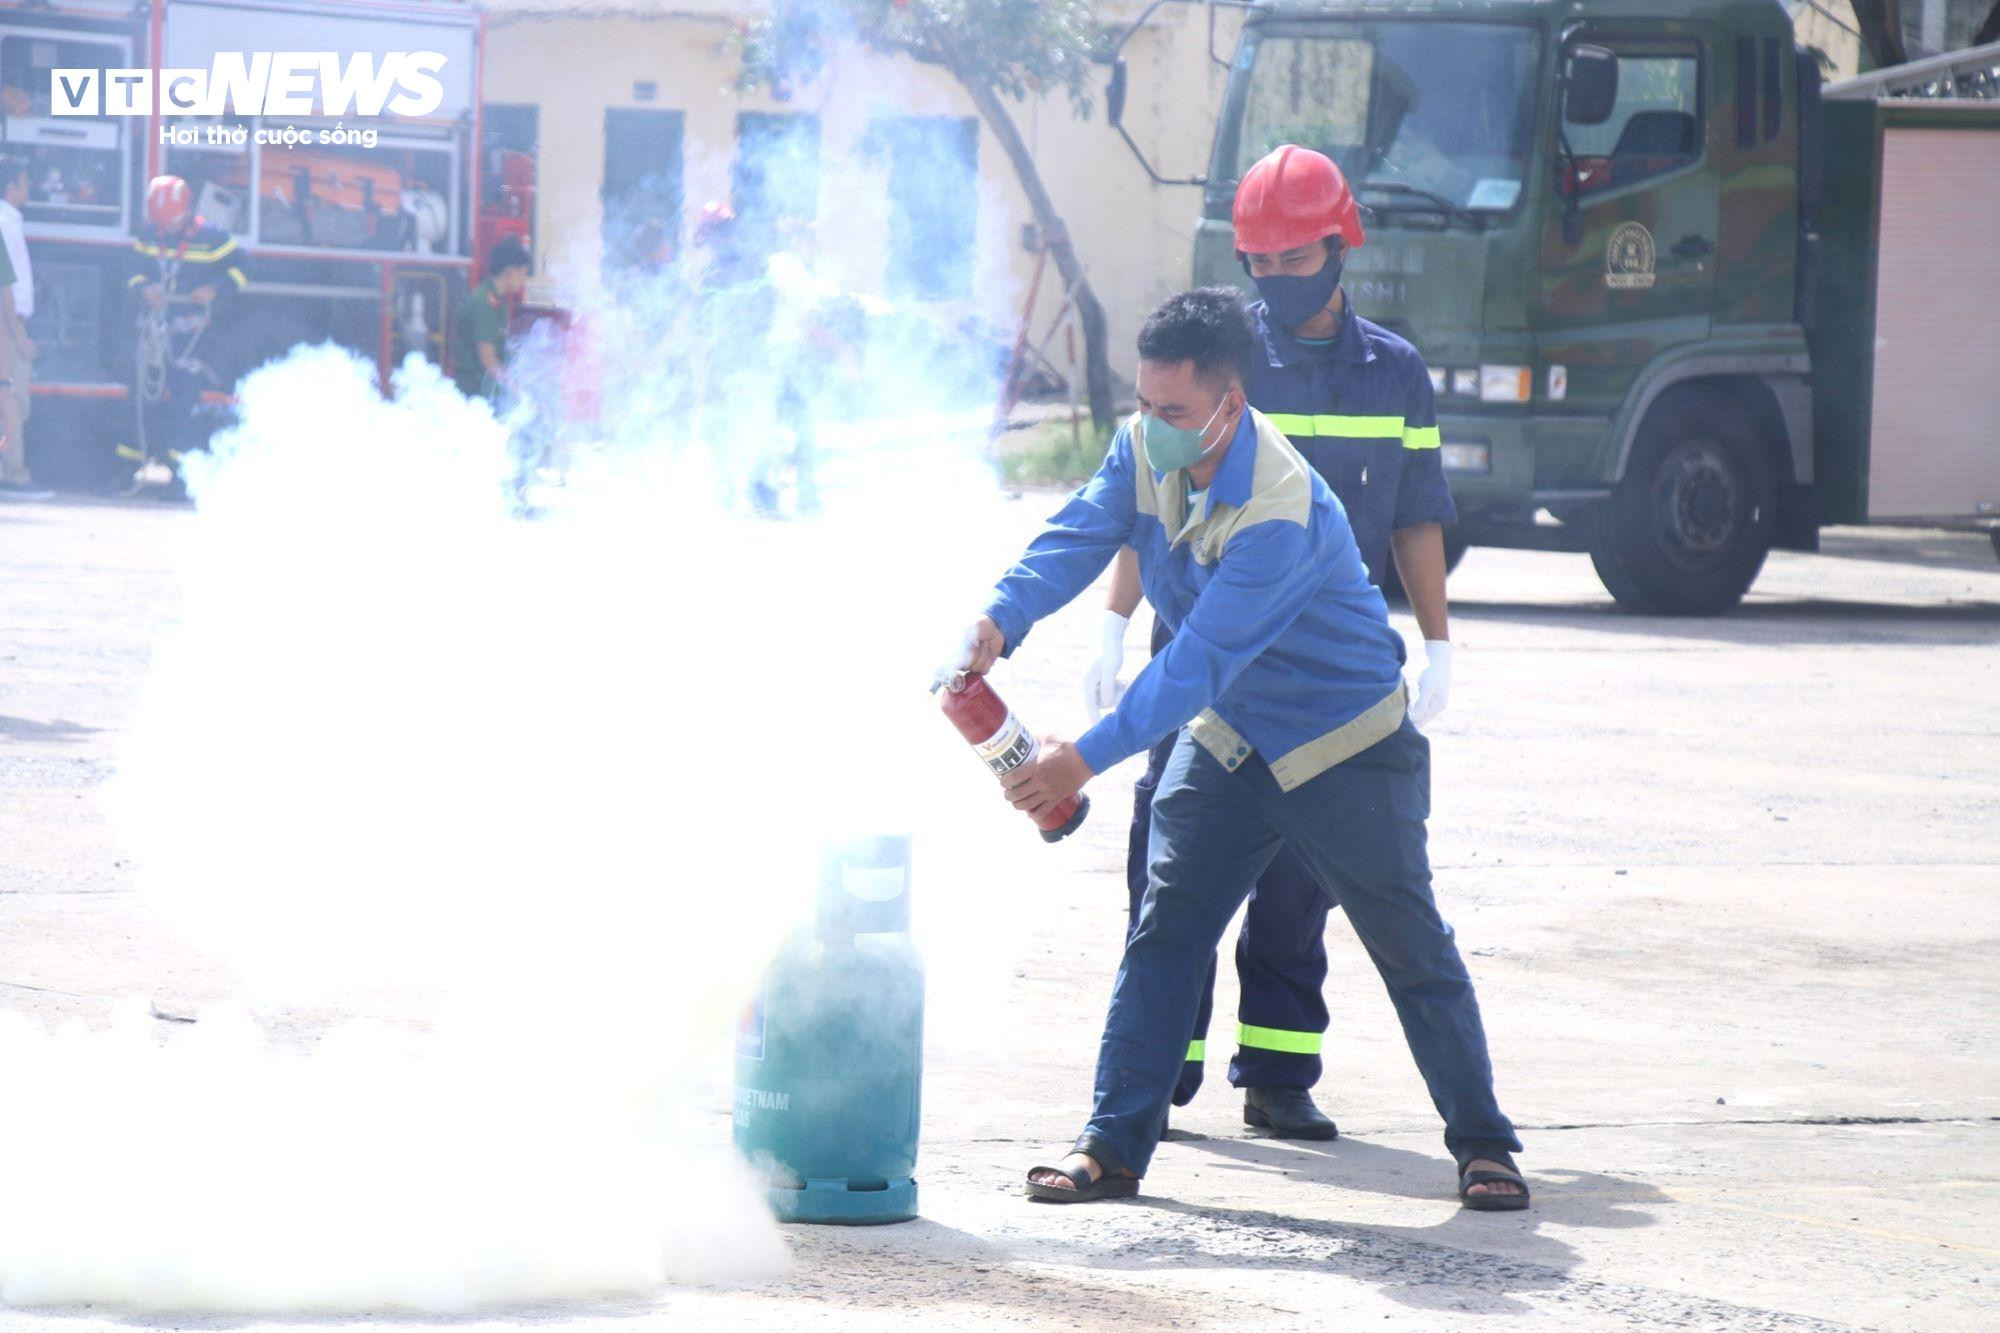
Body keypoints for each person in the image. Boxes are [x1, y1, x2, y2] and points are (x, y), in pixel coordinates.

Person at [955, 287, 1525, 1210]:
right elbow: (1074, 537)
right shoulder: (1145, 445)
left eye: (1173, 411)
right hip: (1229, 743)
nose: (1154, 425)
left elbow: (1198, 664)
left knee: (1408, 942)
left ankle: (1485, 1145)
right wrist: (997, 621)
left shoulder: (1281, 505)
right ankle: (1113, 1144)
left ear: (1230, 402)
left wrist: (1084, 758)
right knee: (1166, 929)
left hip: (1344, 746)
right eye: (1144, 403)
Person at [1079, 145, 1458, 1139]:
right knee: (1167, 865)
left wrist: (1439, 643)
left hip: (1321, 679)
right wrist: (1115, 625)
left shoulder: (1395, 374)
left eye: (1295, 262)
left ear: (1340, 249)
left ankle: (1278, 1074)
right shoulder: (1220, 362)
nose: (1276, 283)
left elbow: (1415, 517)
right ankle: (1162, 1071)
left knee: (1301, 882)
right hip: (1198, 659)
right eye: (1260, 264)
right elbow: (1147, 496)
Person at [124, 175, 248, 493]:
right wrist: (143, 289)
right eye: (164, 223)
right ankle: (125, 470)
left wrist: (215, 289)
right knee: (140, 400)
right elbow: (131, 270)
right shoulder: (151, 233)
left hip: (192, 339)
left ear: (188, 210)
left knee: (183, 405)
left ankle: (182, 479)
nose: (169, 228)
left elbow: (244, 269)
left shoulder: (212, 237)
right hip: (154, 333)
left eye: (175, 221)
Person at [0, 155, 50, 500]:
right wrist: (18, 334)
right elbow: (3, 282)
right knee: (11, 397)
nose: (28, 187)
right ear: (10, 187)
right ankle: (13, 475)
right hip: (6, 322)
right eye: (24, 181)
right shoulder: (4, 221)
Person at [456, 234, 532, 404]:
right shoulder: (485, 302)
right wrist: (516, 388)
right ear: (510, 271)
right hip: (474, 396)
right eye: (523, 274)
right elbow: (488, 359)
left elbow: (502, 348)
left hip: (486, 392)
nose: (523, 280)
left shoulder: (498, 300)